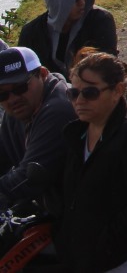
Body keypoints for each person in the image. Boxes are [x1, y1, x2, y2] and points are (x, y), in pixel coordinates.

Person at [49, 52, 127, 273]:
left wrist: (103, 247)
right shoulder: (78, 132)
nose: (79, 101)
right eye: (73, 93)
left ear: (117, 90)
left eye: (90, 93)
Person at [0, 46, 77, 210]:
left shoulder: (59, 109)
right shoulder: (17, 112)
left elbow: (27, 178)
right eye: (2, 95)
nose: (12, 99)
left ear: (42, 74)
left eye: (20, 87)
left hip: (81, 211)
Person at [19, 0, 118, 78]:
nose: (82, 2)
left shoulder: (100, 20)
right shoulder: (31, 33)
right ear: (56, 0)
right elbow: (25, 75)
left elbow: (108, 67)